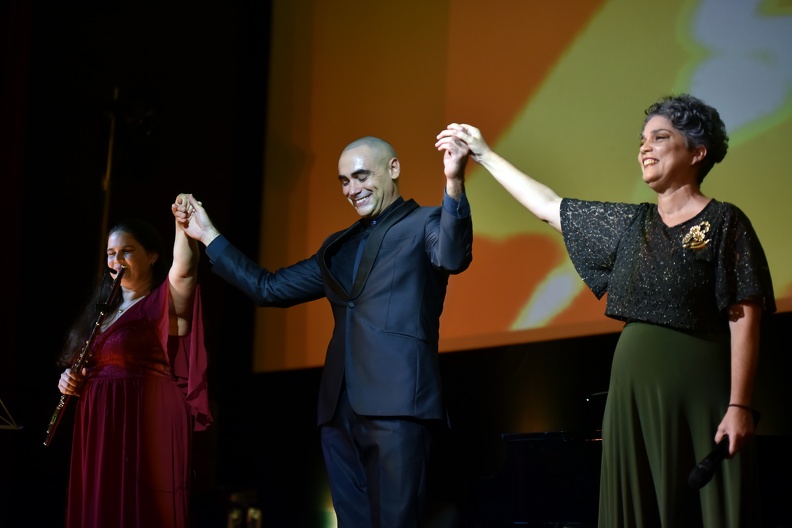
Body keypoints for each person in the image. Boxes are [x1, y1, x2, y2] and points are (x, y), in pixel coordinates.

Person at [437, 94, 775, 527]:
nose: (645, 147)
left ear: (697, 151)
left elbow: (744, 315)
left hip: (700, 393)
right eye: (642, 139)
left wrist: (740, 406)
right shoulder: (631, 225)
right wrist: (484, 155)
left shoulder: (726, 222)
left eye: (660, 137)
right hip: (632, 392)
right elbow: (547, 205)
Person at [172, 135, 473, 527]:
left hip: (400, 406)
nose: (352, 189)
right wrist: (208, 235)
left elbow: (452, 255)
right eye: (344, 181)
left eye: (362, 176)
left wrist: (454, 182)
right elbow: (268, 289)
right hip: (337, 413)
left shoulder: (427, 222)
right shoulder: (337, 246)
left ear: (393, 169)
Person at [56, 194, 213, 528]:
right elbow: (89, 368)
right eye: (111, 254)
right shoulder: (101, 315)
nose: (117, 260)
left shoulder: (160, 305)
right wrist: (70, 377)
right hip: (99, 423)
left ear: (152, 256)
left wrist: (182, 226)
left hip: (142, 418)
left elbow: (184, 272)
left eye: (127, 251)